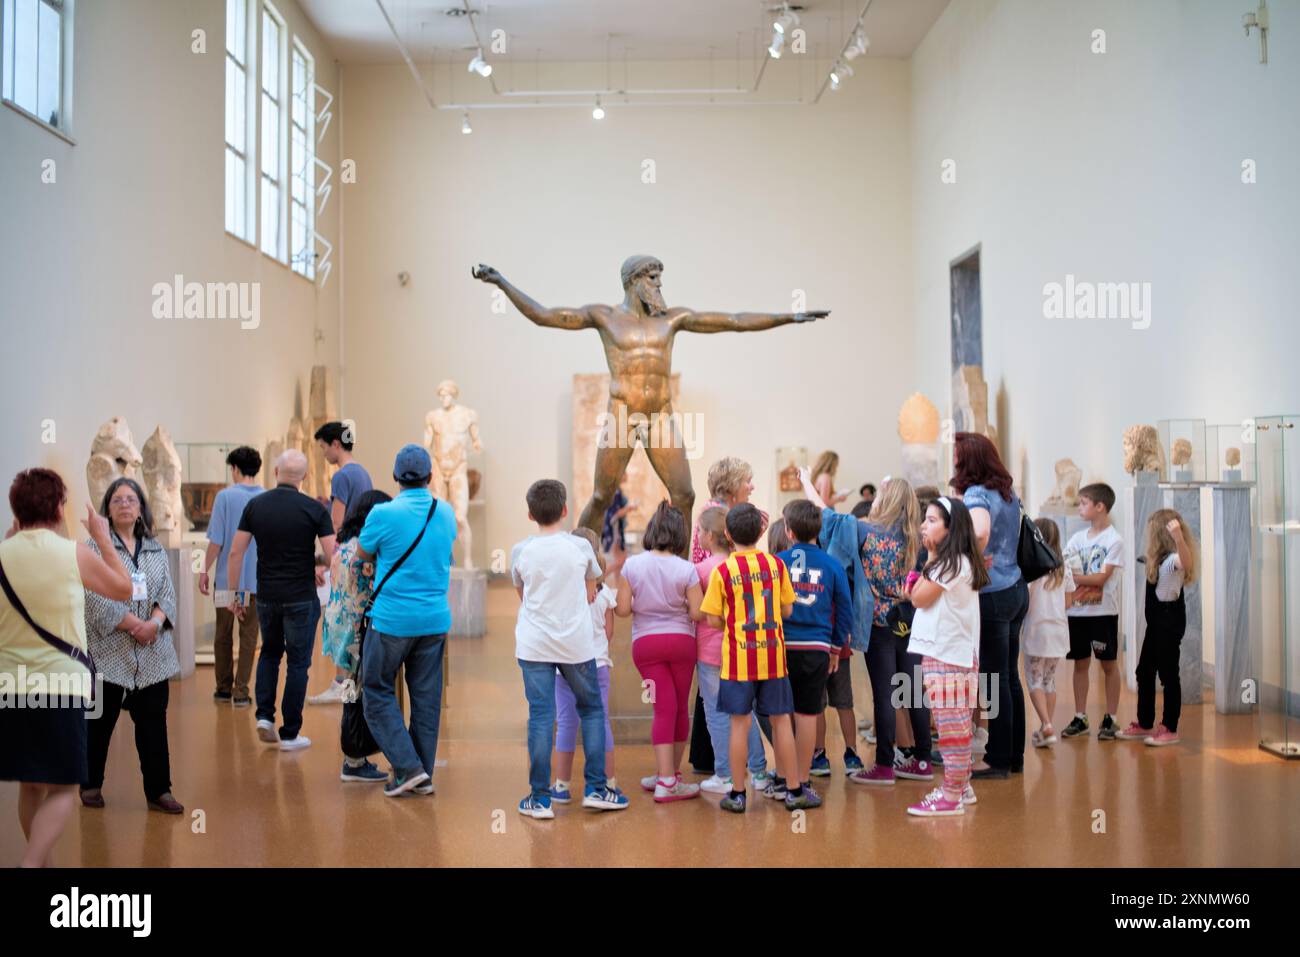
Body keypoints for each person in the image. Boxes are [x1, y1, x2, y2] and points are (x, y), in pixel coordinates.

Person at [1, 469, 132, 867]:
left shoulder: (2, 553)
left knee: (31, 782)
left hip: (10, 684)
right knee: (64, 785)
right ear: (59, 508)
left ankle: (42, 863)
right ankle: (30, 865)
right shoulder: (72, 552)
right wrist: (104, 539)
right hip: (61, 683)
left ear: (16, 509)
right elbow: (123, 589)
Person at [512, 479, 628, 819]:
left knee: (541, 716)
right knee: (592, 710)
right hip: (576, 645)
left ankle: (540, 797)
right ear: (565, 511)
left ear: (530, 513)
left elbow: (522, 595)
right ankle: (596, 788)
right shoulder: (580, 550)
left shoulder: (521, 550)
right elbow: (592, 586)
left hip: (534, 645)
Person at [353, 445, 457, 796]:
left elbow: (362, 555)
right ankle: (420, 773)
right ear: (430, 477)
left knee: (377, 690)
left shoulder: (382, 514)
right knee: (426, 700)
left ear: (396, 477)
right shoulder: (445, 513)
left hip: (391, 621)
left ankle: (408, 768)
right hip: (434, 620)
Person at [80, 476, 184, 814]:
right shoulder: (94, 548)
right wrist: (133, 624)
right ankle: (90, 783)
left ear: (141, 509)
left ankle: (159, 791)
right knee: (99, 724)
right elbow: (93, 597)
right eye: (117, 500)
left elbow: (167, 594)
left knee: (153, 725)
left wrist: (153, 623)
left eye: (131, 499)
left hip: (153, 654)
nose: (124, 504)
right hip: (109, 653)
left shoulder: (154, 548)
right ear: (107, 511)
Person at [226, 449, 335, 752]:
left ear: (275, 473)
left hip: (267, 596)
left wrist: (237, 595)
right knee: (298, 663)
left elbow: (236, 552)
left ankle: (263, 716)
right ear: (305, 477)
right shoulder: (314, 509)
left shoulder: (255, 506)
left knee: (270, 654)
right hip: (301, 597)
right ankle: (290, 733)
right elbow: (333, 554)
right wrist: (323, 570)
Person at [700, 503, 801, 813]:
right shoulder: (776, 566)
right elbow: (786, 610)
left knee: (739, 725)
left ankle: (738, 792)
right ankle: (795, 790)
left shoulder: (724, 571)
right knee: (781, 721)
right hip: (772, 657)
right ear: (761, 531)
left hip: (738, 659)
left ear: (727, 534)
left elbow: (713, 618)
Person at [903, 495, 988, 816]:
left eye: (933, 520)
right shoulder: (957, 562)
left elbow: (918, 598)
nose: (924, 525)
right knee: (954, 721)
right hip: (950, 652)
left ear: (952, 529)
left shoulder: (949, 562)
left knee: (951, 725)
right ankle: (962, 786)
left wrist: (930, 553)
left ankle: (951, 794)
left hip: (949, 655)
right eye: (925, 519)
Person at [951, 432, 1029, 779]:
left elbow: (980, 532)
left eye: (956, 456)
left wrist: (967, 560)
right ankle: (1014, 754)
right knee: (1010, 676)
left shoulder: (977, 494)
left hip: (992, 594)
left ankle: (997, 759)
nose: (953, 461)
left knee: (995, 679)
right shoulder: (1007, 493)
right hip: (1015, 588)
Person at [847, 477, 932, 786]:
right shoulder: (919, 537)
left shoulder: (865, 531)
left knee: (885, 695)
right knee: (913, 692)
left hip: (879, 622)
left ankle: (884, 765)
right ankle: (923, 759)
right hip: (912, 620)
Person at [618, 501, 703, 802]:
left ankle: (665, 776)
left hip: (647, 647)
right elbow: (696, 613)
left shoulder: (632, 565)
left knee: (661, 708)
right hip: (682, 644)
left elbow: (624, 609)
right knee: (679, 707)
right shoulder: (687, 569)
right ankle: (671, 776)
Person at [776, 499, 852, 807]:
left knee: (781, 715)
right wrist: (836, 648)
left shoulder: (776, 561)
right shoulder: (833, 564)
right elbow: (844, 611)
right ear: (818, 530)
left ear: (788, 530)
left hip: (781, 649)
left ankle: (783, 778)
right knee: (808, 714)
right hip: (817, 648)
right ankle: (803, 781)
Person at [692, 506, 770, 796]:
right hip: (741, 649)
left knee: (715, 713)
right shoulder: (744, 566)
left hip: (711, 652)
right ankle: (760, 770)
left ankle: (724, 772)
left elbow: (699, 612)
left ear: (711, 536)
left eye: (699, 530)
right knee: (744, 712)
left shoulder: (701, 570)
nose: (697, 535)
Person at [320, 489, 392, 783]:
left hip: (339, 629)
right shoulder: (366, 551)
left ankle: (355, 758)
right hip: (357, 632)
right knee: (357, 695)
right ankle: (353, 760)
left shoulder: (343, 545)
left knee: (350, 691)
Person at [1117, 510, 1197, 747]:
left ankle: (1170, 727)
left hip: (1168, 622)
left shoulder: (1173, 560)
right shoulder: (1159, 560)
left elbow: (1186, 561)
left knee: (1169, 675)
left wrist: (1179, 538)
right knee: (1144, 671)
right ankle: (1144, 722)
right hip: (1156, 624)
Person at [552, 527, 619, 800]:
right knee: (600, 721)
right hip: (597, 666)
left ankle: (561, 786)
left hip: (563, 667)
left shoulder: (561, 594)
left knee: (566, 723)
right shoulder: (604, 595)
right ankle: (609, 783)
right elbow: (608, 632)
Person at [312, 421, 373, 705]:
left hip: (346, 552)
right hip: (365, 551)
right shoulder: (362, 472)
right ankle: (351, 684)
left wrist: (328, 560)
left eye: (324, 447)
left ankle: (341, 684)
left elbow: (337, 522)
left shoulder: (341, 477)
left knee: (339, 619)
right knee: (355, 617)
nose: (324, 453)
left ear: (336, 444)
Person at [199, 446, 264, 707]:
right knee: (249, 637)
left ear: (235, 469)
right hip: (257, 581)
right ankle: (242, 692)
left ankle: (223, 688)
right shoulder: (266, 497)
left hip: (227, 579)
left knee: (223, 635)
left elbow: (216, 540)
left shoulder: (224, 497)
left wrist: (204, 569)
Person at [1060, 482, 1125, 742]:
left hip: (1103, 614)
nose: (1080, 508)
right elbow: (1066, 572)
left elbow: (1101, 578)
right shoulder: (1076, 539)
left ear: (1100, 506)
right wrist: (1079, 577)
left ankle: (1112, 717)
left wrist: (1079, 578)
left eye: (1084, 503)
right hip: (1078, 614)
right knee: (1080, 664)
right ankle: (1080, 715)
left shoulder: (1114, 540)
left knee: (1108, 663)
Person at [1023, 518, 1075, 747]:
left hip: (1037, 629)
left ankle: (1046, 724)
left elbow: (1024, 601)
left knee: (1034, 679)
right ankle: (1047, 728)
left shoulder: (1032, 566)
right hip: (1059, 630)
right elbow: (1069, 602)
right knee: (1049, 680)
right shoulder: (1064, 567)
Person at [690, 456, 768, 563]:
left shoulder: (718, 510)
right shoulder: (717, 515)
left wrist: (755, 534)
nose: (752, 487)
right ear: (733, 485)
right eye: (748, 481)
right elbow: (725, 561)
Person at [601, 478, 635, 582]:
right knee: (621, 560)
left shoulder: (615, 490)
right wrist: (629, 508)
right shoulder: (615, 492)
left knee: (620, 560)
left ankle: (617, 586)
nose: (627, 475)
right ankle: (600, 578)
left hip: (617, 529)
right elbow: (615, 514)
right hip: (614, 530)